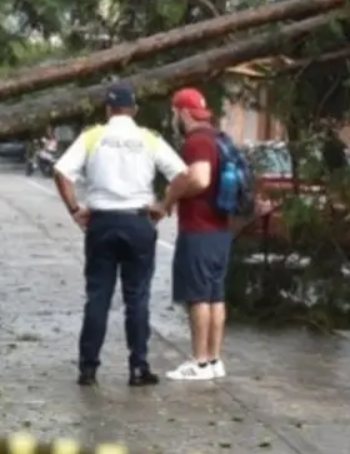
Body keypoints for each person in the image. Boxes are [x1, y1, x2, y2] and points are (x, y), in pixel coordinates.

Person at [52, 82, 190, 387]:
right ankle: (138, 367)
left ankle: (88, 368)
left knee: (98, 296)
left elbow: (61, 173)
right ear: (135, 110)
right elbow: (182, 175)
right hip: (137, 222)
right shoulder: (148, 140)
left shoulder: (92, 137)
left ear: (107, 110)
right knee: (137, 297)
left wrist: (75, 209)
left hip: (101, 223)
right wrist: (165, 206)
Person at [161, 87, 237, 381]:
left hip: (199, 230)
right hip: (220, 230)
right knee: (215, 296)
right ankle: (215, 359)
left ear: (183, 112)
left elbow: (200, 179)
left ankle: (200, 361)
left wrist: (170, 197)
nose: (173, 120)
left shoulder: (196, 142)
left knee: (198, 297)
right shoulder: (220, 138)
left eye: (173, 113)